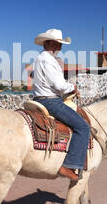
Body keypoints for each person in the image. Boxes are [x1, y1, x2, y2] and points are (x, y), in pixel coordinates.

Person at [33, 29, 90, 181]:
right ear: (49, 43)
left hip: (38, 99)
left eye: (60, 44)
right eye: (58, 43)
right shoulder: (49, 60)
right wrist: (72, 88)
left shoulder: (40, 58)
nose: (60, 46)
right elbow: (59, 85)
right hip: (51, 101)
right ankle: (69, 165)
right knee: (83, 127)